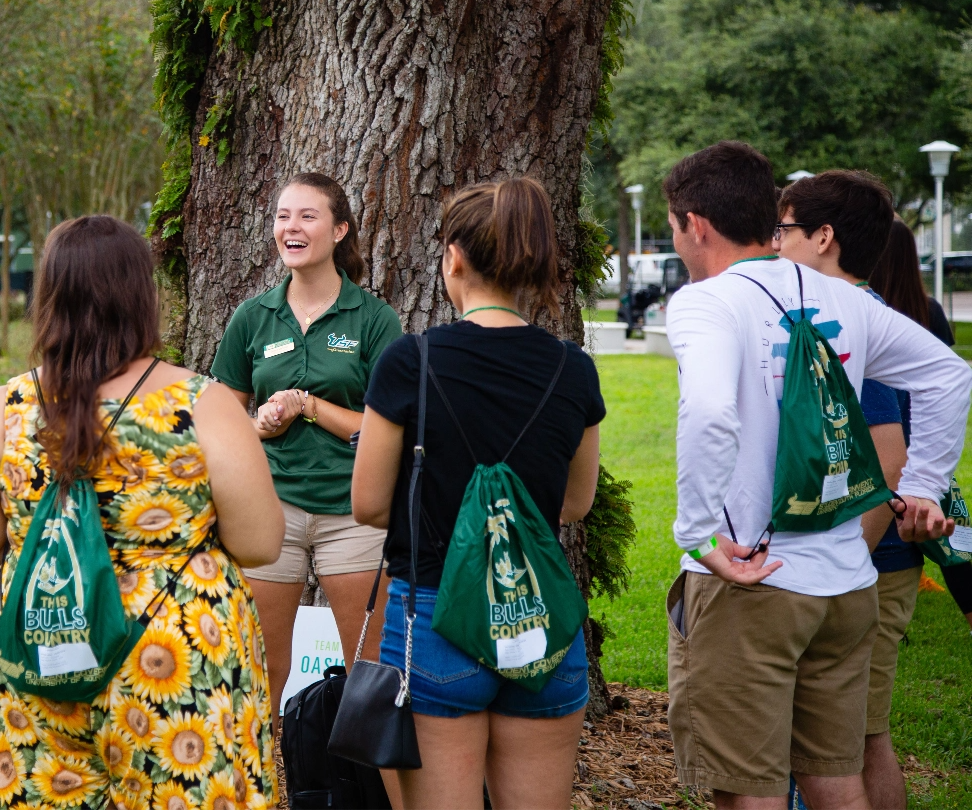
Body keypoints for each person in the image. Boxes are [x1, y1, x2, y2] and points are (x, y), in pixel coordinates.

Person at [663, 141, 971, 810]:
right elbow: (948, 374)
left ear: (695, 223)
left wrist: (696, 535)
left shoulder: (703, 302)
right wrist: (921, 485)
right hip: (847, 582)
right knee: (836, 777)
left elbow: (712, 410)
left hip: (755, 578)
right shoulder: (843, 299)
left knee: (748, 790)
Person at [0, 215, 284, 810]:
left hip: (37, 643)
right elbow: (259, 542)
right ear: (140, 297)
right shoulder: (200, 404)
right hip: (173, 651)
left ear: (47, 297)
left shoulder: (4, 408)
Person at [350, 178, 603, 810]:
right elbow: (575, 503)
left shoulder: (410, 361)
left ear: (454, 258)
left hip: (435, 616)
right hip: (538, 618)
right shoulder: (573, 368)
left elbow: (369, 504)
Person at [209, 172, 403, 717]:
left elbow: (390, 427)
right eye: (282, 216)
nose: (290, 227)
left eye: (307, 216)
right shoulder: (253, 317)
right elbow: (221, 422)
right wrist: (259, 426)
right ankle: (258, 786)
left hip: (355, 513)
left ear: (340, 230)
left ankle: (367, 792)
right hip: (270, 512)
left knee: (370, 673)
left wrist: (310, 407)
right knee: (262, 668)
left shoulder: (374, 319)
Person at [775, 171, 914, 810]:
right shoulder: (840, 313)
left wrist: (845, 557)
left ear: (823, 237)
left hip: (864, 563)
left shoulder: (858, 319)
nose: (775, 245)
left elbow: (890, 458)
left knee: (857, 739)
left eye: (785, 229)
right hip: (847, 563)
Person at [868, 220, 972, 635]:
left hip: (889, 451)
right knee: (957, 541)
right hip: (926, 450)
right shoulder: (926, 310)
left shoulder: (869, 320)